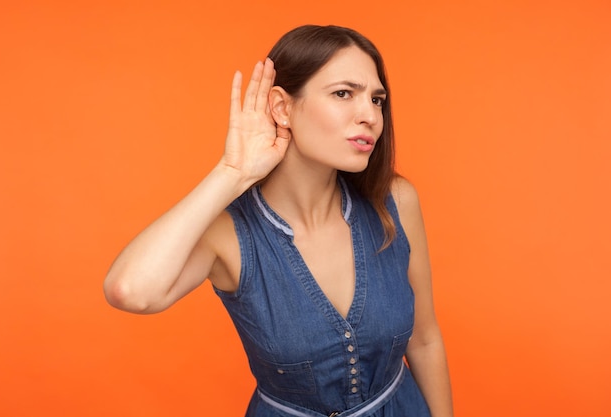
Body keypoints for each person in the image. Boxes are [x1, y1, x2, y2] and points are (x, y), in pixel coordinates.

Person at [104, 24, 453, 417]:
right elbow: (129, 290)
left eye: (377, 99)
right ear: (282, 108)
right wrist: (232, 171)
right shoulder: (229, 236)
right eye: (343, 93)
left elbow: (423, 339)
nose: (370, 115)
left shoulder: (395, 202)